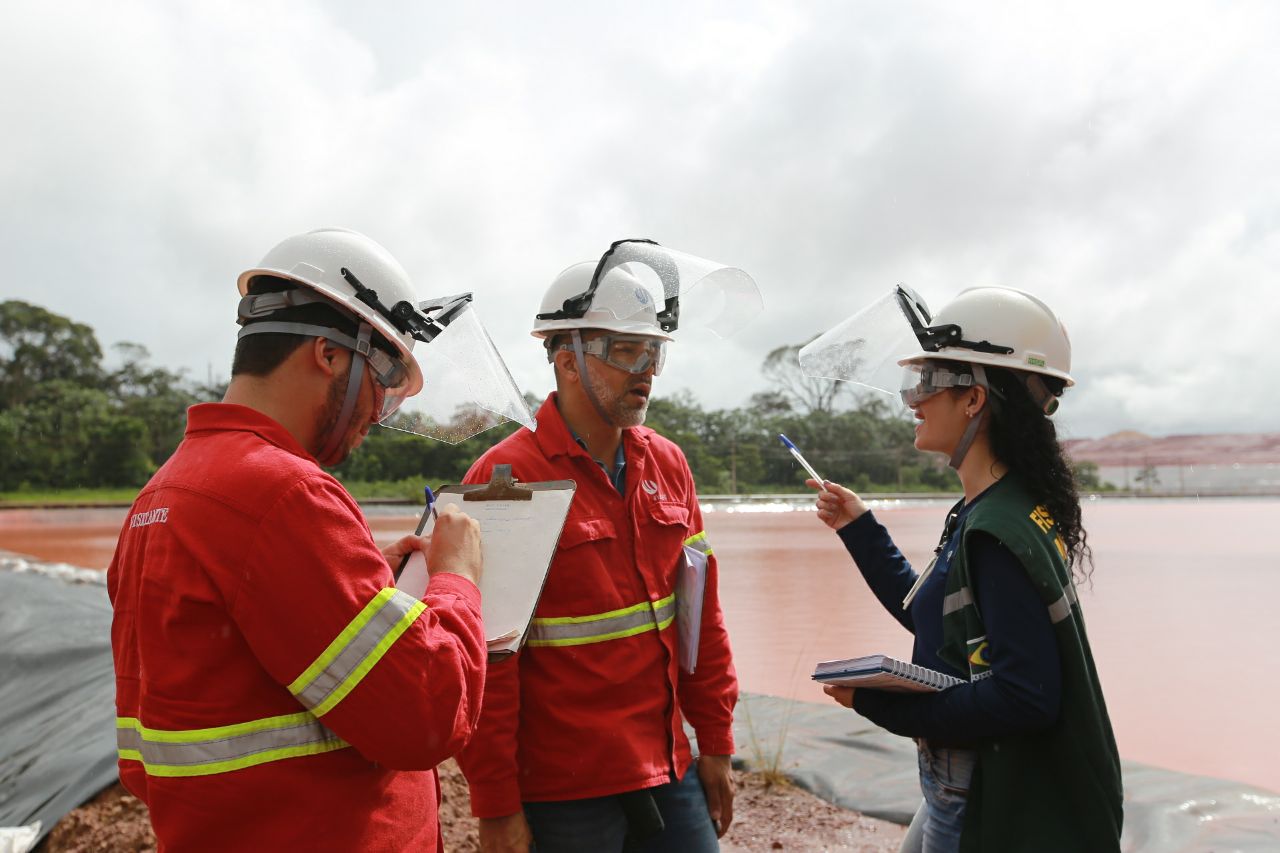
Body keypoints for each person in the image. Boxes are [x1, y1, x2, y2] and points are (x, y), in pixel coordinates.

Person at [107, 227, 512, 851]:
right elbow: (428, 718)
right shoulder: (285, 495)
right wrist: (457, 578)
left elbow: (168, 731)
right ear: (329, 354)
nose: (377, 418)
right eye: (383, 385)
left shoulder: (164, 494)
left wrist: (362, 584)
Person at [804, 286, 1123, 852]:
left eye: (926, 383)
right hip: (959, 776)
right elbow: (940, 626)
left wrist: (877, 703)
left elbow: (1025, 696)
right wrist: (860, 528)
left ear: (973, 400)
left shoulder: (997, 530)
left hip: (978, 785)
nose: (912, 401)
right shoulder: (999, 508)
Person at [456, 244, 741, 853]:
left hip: (670, 764)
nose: (644, 369)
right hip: (564, 791)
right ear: (565, 359)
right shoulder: (505, 479)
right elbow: (489, 665)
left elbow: (700, 616)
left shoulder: (667, 464)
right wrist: (497, 805)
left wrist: (715, 739)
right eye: (623, 349)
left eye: (653, 351)